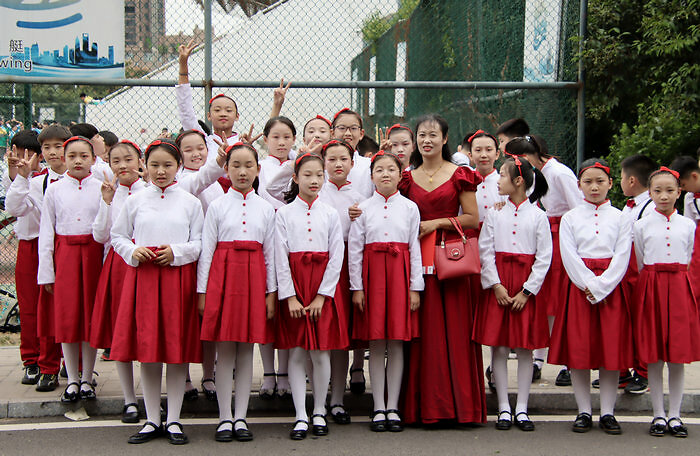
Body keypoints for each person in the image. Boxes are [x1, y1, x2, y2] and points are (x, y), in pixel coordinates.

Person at [110, 139, 204, 445]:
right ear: (144, 166)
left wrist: (175, 252)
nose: (160, 171)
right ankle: (151, 419)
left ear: (178, 166)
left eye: (167, 165)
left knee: (176, 354)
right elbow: (118, 236)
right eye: (154, 165)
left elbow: (200, 243)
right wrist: (132, 250)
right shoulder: (135, 200)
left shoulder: (190, 202)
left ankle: (174, 419)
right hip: (145, 281)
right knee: (148, 353)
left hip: (178, 282)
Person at [399, 114, 486, 425]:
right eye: (422, 135)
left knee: (455, 334)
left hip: (452, 265)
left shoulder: (460, 173)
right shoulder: (407, 178)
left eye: (434, 135)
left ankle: (460, 408)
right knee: (423, 335)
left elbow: (472, 219)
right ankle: (423, 408)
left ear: (445, 139)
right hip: (418, 265)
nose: (427, 140)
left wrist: (435, 223)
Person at [198, 142, 276, 442]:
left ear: (258, 170)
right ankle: (224, 417)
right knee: (225, 349)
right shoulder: (217, 206)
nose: (242, 172)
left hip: (254, 280)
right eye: (236, 166)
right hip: (224, 279)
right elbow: (207, 252)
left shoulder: (266, 207)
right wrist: (202, 292)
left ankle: (241, 416)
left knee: (246, 351)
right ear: (226, 169)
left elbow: (271, 254)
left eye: (249, 166)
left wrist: (271, 293)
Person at [549, 158, 633, 434]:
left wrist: (603, 285)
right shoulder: (571, 218)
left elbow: (622, 255)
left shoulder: (622, 217)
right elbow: (569, 255)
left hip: (611, 289)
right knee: (580, 352)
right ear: (579, 185)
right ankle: (583, 410)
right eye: (588, 182)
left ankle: (608, 412)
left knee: (610, 352)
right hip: (579, 288)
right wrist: (588, 283)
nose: (594, 187)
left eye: (600, 181)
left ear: (610, 183)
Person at [473, 155, 551, 432]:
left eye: (503, 176)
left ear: (518, 181)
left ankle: (522, 408)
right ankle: (504, 406)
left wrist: (527, 291)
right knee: (500, 346)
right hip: (501, 285)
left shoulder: (539, 216)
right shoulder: (494, 213)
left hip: (525, 286)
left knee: (526, 347)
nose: (498, 181)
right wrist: (495, 284)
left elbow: (544, 257)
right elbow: (486, 249)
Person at [349, 150, 423, 432]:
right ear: (371, 176)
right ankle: (378, 405)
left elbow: (414, 248)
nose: (385, 174)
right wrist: (357, 287)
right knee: (377, 343)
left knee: (396, 342)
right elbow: (355, 250)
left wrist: (415, 287)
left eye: (391, 169)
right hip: (373, 278)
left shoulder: (410, 208)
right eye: (379, 170)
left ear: (401, 174)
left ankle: (393, 405)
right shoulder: (363, 207)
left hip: (400, 277)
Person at [275, 153, 345, 440]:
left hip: (320, 290)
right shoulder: (283, 214)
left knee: (321, 351)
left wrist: (323, 296)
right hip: (296, 286)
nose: (314, 180)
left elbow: (336, 256)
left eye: (319, 175)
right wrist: (289, 296)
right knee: (296, 350)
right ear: (295, 178)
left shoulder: (330, 214)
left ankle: (319, 410)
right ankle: (300, 414)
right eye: (307, 175)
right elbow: (280, 257)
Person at [632, 167, 700, 438]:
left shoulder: (688, 224)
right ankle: (658, 414)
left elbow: (688, 256)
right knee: (655, 356)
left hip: (679, 287)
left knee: (677, 357)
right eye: (657, 191)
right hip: (652, 286)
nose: (663, 196)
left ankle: (676, 414)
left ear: (679, 192)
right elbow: (640, 259)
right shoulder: (641, 224)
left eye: (670, 190)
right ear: (649, 193)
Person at [37, 136, 102, 402]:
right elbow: (45, 231)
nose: (77, 161)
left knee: (89, 318)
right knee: (67, 318)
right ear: (64, 159)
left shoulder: (101, 187)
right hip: (64, 256)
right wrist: (47, 271)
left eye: (84, 156)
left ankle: (88, 377)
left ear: (93, 160)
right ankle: (72, 380)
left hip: (93, 255)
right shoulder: (54, 189)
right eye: (72, 155)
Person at [5, 127, 68, 390]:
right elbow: (13, 208)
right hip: (33, 246)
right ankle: (34, 361)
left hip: (63, 247)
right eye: (47, 147)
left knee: (63, 309)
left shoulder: (83, 176)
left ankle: (66, 363)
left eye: (58, 146)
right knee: (31, 309)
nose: (52, 152)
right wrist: (19, 177)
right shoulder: (33, 182)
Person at [518, 135, 582, 385]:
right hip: (548, 233)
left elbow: (577, 207)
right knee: (546, 297)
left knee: (562, 299)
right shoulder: (539, 173)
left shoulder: (559, 172)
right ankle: (538, 359)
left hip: (564, 236)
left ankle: (568, 361)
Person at [89, 140, 146, 423]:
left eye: (128, 159)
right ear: (108, 165)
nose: (123, 166)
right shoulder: (109, 194)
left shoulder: (149, 192)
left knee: (147, 332)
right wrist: (106, 203)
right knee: (121, 333)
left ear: (140, 161)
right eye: (116, 161)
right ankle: (129, 400)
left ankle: (149, 397)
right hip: (119, 266)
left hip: (148, 265)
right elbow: (101, 235)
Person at [317, 139, 365, 425]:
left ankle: (337, 399)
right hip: (320, 266)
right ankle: (318, 397)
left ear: (352, 163)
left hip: (349, 266)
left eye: (343, 159)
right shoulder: (315, 193)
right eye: (331, 159)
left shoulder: (360, 195)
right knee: (320, 335)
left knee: (340, 336)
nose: (337, 164)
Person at [607, 154, 658, 394]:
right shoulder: (630, 207)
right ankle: (622, 371)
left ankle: (643, 374)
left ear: (632, 180)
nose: (619, 181)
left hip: (641, 274)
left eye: (621, 177)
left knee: (642, 324)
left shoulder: (649, 208)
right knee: (623, 323)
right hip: (625, 273)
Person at [177, 39, 240, 158]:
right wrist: (183, 65)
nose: (223, 114)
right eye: (217, 110)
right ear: (209, 116)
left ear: (237, 116)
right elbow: (186, 112)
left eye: (228, 110)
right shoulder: (204, 142)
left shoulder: (243, 144)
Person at [670, 155, 700, 299]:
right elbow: (690, 225)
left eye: (683, 184)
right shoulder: (690, 198)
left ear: (694, 176)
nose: (682, 189)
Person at [332, 108, 373, 199]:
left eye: (353, 128)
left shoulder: (369, 164)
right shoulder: (324, 164)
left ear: (361, 134)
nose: (347, 133)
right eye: (342, 128)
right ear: (332, 133)